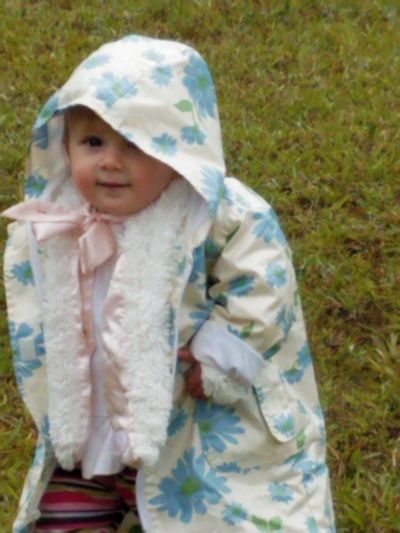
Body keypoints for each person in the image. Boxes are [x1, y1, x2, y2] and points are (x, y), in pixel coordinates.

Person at [3, 34, 335, 532]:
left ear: (179, 148)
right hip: (95, 429)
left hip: (194, 429)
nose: (110, 161)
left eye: (136, 144)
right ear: (65, 143)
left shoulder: (217, 212)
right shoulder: (62, 217)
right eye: (93, 142)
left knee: (209, 516)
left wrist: (222, 352)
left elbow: (264, 280)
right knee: (59, 517)